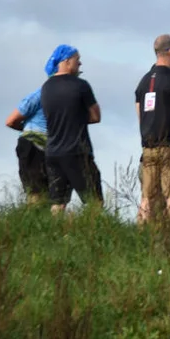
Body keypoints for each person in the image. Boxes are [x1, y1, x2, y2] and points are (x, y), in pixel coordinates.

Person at [40, 45, 103, 215]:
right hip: (77, 152)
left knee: (58, 202)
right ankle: (94, 233)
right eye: (77, 60)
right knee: (94, 201)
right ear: (67, 61)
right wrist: (78, 118)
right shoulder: (81, 86)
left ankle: (55, 235)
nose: (80, 63)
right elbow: (96, 116)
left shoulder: (46, 87)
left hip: (52, 152)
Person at [134, 34, 170, 224]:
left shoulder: (143, 81)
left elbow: (139, 113)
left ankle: (141, 233)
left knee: (147, 197)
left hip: (148, 146)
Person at [4, 87, 49, 204]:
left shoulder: (42, 94)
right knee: (37, 191)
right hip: (33, 145)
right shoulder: (39, 95)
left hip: (48, 147)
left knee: (43, 192)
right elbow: (11, 121)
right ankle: (35, 218)